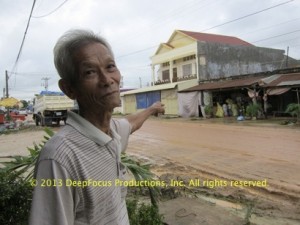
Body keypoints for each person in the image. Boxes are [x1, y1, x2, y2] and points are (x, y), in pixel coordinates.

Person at [29, 29, 165, 225]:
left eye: (110, 67)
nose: (107, 79)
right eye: (90, 72)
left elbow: (132, 123)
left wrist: (152, 109)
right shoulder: (59, 158)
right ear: (69, 89)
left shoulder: (111, 131)